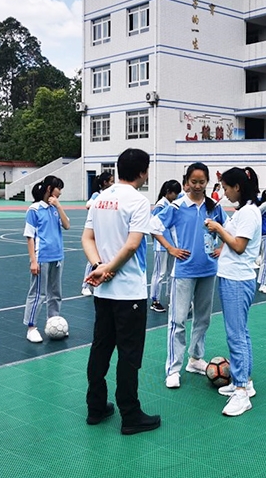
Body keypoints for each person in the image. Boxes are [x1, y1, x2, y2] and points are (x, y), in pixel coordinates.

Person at [82, 148, 161, 435]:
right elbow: (132, 245)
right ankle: (130, 414)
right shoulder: (139, 201)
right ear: (143, 172)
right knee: (129, 354)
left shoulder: (101, 198)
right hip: (128, 292)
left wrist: (98, 266)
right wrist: (107, 268)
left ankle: (96, 407)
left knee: (100, 347)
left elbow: (87, 237)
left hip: (103, 293)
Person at [151, 163, 227, 389]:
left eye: (201, 181)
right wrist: (171, 249)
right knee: (178, 320)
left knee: (203, 318)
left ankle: (195, 359)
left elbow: (229, 228)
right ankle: (173, 369)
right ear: (186, 182)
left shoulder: (214, 207)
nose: (197, 185)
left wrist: (222, 247)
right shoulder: (177, 206)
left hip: (208, 270)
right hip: (184, 271)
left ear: (206, 182)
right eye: (193, 181)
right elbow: (153, 226)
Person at [203, 167, 262, 417]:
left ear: (237, 187)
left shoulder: (249, 212)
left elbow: (238, 246)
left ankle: (240, 392)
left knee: (236, 335)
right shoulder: (243, 211)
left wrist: (218, 228)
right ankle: (244, 382)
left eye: (226, 188)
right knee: (241, 332)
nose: (224, 193)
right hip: (233, 277)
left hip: (238, 279)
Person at [23, 175, 71, 343]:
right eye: (59, 188)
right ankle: (31, 327)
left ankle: (53, 321)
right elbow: (30, 237)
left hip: (58, 256)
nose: (61, 192)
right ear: (50, 188)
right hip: (41, 257)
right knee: (38, 294)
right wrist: (33, 261)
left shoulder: (54, 208)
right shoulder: (34, 209)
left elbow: (67, 225)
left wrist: (58, 206)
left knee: (55, 294)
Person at [149, 180, 182, 313]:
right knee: (159, 273)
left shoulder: (171, 204)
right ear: (168, 192)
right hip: (161, 246)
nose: (177, 196)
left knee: (171, 274)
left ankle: (171, 298)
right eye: (175, 193)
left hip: (171, 246)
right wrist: (157, 243)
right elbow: (153, 226)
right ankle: (155, 300)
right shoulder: (160, 205)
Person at [83, 172, 115, 296]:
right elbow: (88, 205)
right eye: (111, 181)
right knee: (92, 259)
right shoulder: (98, 195)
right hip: (97, 230)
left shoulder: (113, 195)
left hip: (107, 230)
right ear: (105, 183)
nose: (113, 183)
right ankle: (85, 285)